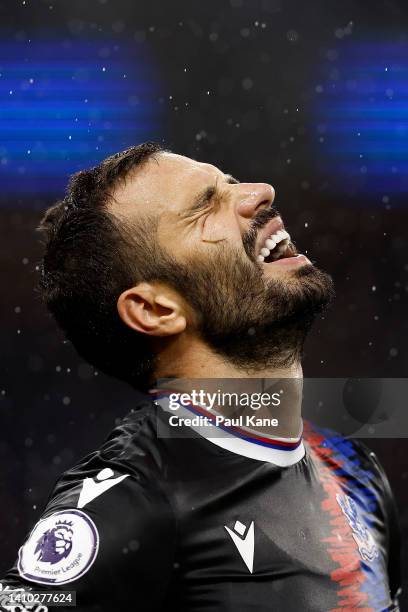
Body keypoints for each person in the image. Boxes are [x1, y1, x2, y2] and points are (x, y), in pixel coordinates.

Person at [1, 143, 401, 611]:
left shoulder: (356, 472)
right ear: (155, 310)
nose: (260, 192)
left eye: (230, 183)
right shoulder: (133, 498)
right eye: (204, 206)